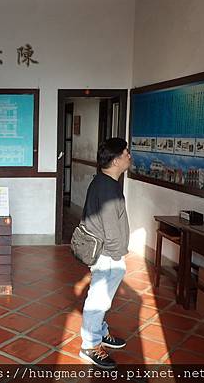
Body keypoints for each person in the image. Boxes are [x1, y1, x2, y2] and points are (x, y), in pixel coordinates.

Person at [78, 138, 132, 369]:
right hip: (107, 254)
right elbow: (110, 227)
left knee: (102, 298)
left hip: (108, 252)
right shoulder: (107, 187)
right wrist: (117, 254)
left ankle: (100, 332)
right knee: (98, 299)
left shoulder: (103, 181)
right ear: (117, 158)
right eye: (127, 152)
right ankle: (90, 345)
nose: (130, 156)